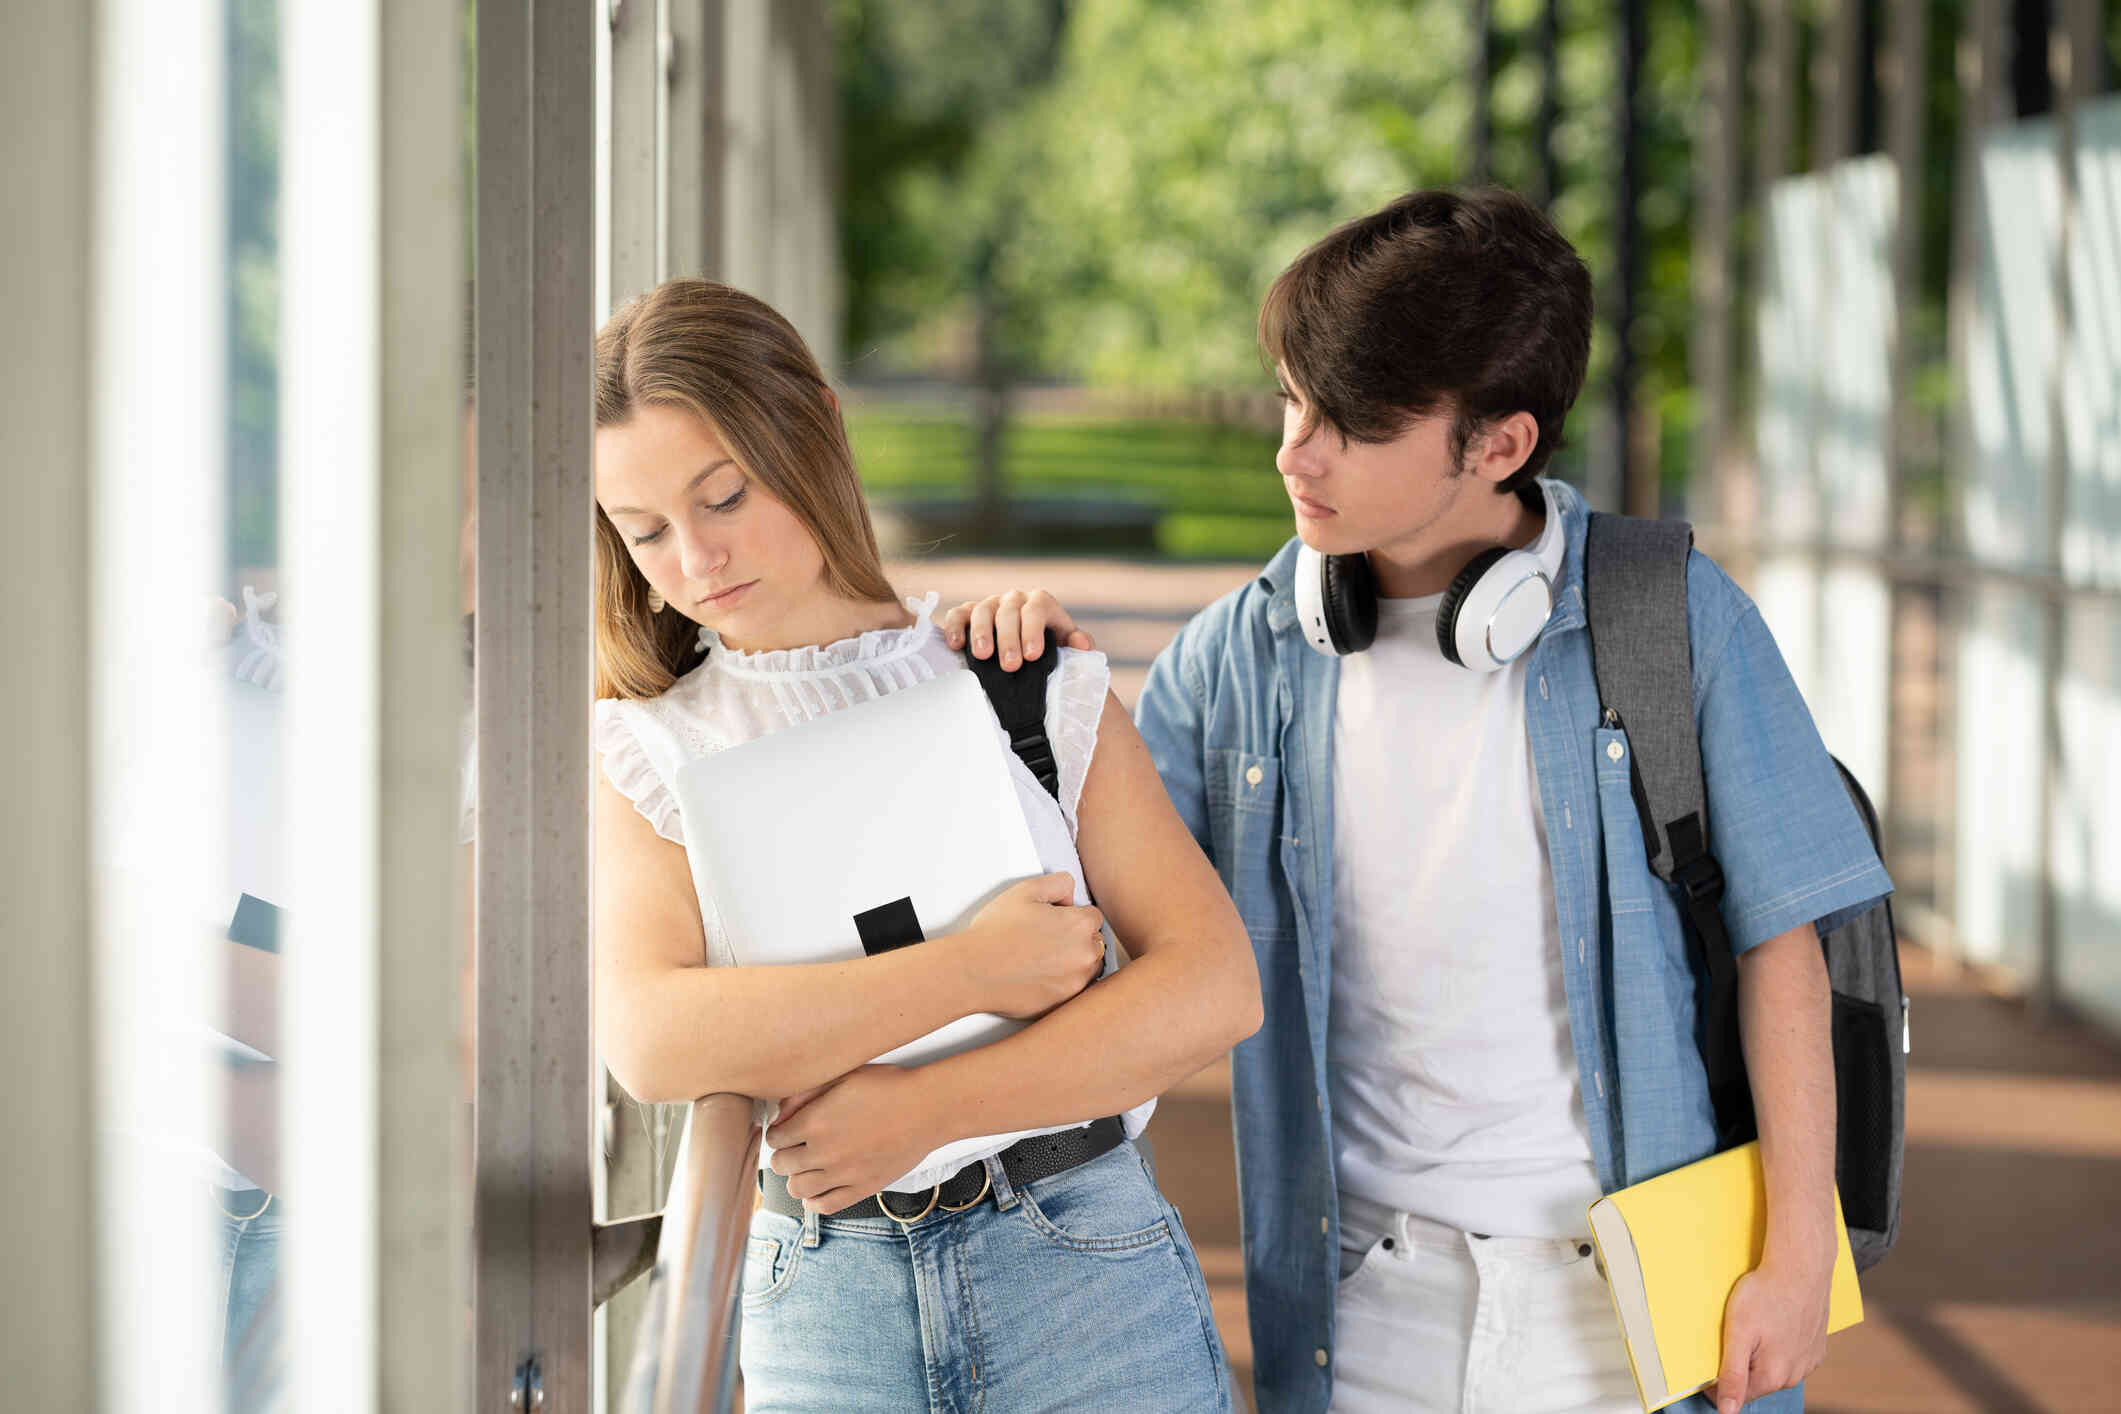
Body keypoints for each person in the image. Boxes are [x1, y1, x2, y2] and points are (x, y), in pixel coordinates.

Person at [945, 187, 1892, 1414]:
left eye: (1351, 420)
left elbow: (1784, 946)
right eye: (1294, 398)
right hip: (1365, 1311)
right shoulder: (1243, 656)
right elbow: (1096, 930)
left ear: (1498, 444)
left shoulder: (1673, 621)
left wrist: (1798, 1253)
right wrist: (1049, 714)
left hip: (1646, 1312)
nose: (1295, 450)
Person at [589, 279, 1261, 1412]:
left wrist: (929, 1107)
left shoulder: (1020, 676)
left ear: (819, 430)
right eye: (645, 530)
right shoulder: (650, 746)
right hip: (827, 1299)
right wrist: (970, 970)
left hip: (1085, 1270)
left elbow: (1213, 986)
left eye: (725, 496)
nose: (697, 560)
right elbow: (653, 1039)